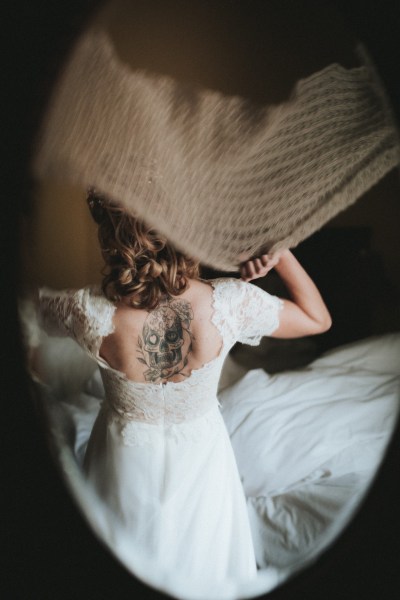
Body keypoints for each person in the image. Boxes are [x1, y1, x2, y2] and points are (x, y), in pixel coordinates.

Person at [36, 187, 331, 590]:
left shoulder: (85, 310)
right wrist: (279, 255)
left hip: (124, 463)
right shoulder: (229, 303)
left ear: (113, 239)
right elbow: (318, 319)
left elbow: (33, 313)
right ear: (189, 233)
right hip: (202, 461)